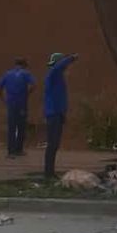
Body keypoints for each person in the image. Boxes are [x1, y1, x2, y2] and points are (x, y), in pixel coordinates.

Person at [43, 52, 77, 180]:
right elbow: (58, 67)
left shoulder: (58, 77)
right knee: (52, 144)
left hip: (57, 114)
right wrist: (71, 58)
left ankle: (50, 172)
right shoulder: (53, 73)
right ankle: (48, 173)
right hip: (53, 114)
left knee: (55, 144)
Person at [0, 57, 35, 158]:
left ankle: (10, 152)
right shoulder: (26, 73)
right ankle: (19, 149)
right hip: (22, 103)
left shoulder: (7, 73)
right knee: (21, 127)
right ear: (24, 65)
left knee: (11, 127)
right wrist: (26, 94)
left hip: (11, 103)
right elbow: (33, 85)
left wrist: (3, 98)